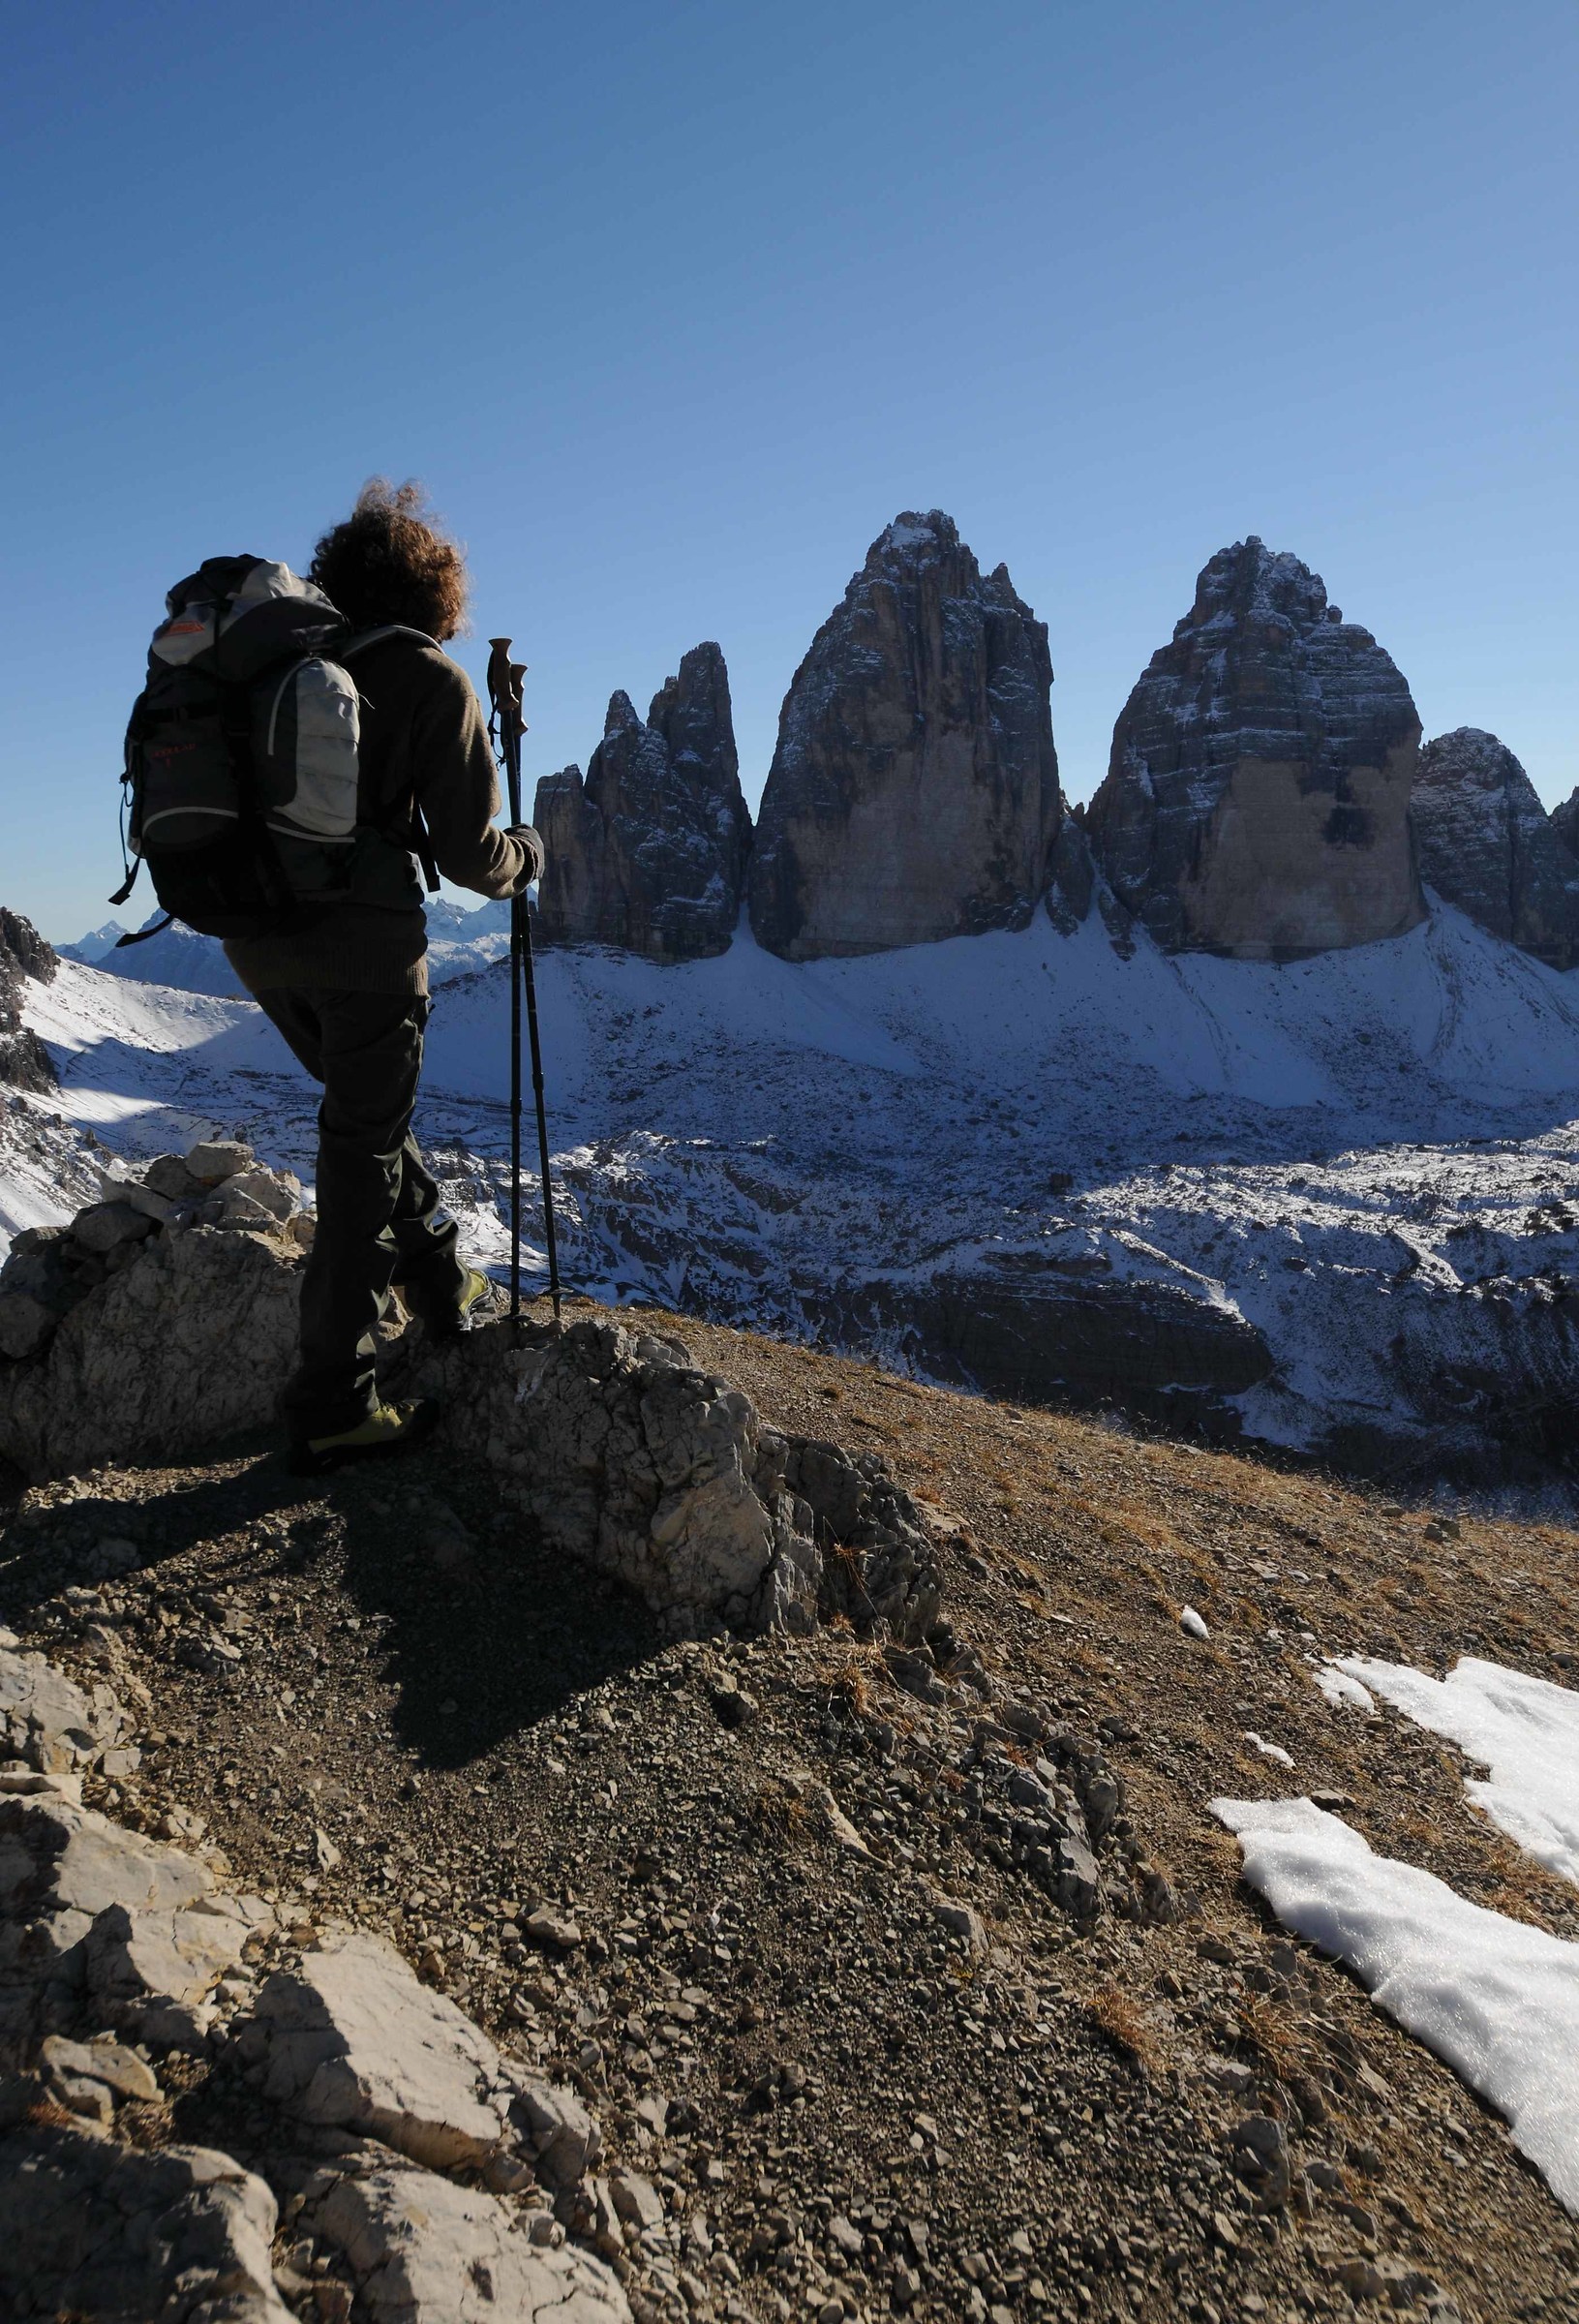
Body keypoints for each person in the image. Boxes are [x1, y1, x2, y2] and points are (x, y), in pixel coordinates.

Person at [224, 480, 541, 1475]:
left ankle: (442, 1282)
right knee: (360, 1150)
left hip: (256, 937)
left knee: (367, 1125)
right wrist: (527, 853)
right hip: (363, 948)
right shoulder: (428, 679)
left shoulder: (287, 664)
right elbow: (467, 857)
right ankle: (334, 1401)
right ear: (434, 590)